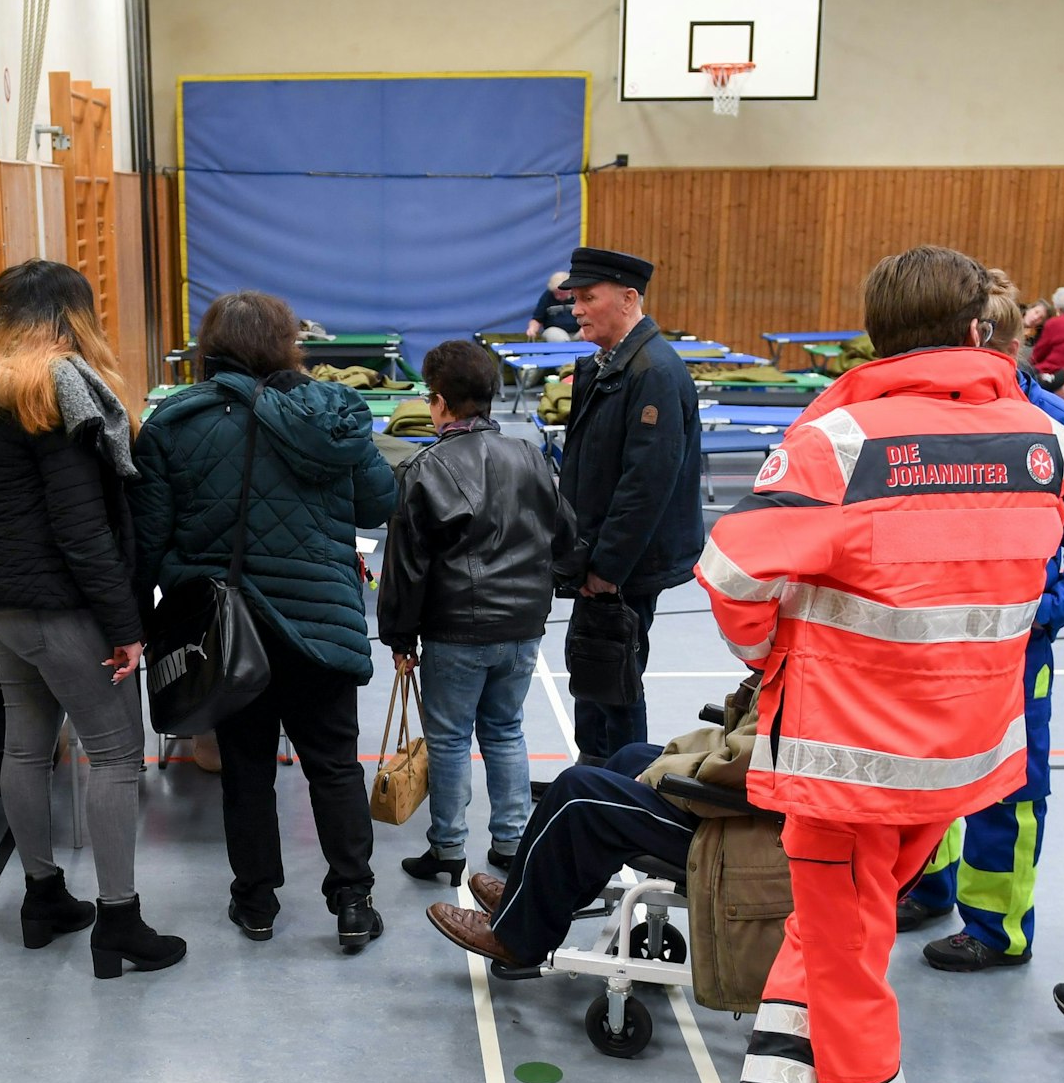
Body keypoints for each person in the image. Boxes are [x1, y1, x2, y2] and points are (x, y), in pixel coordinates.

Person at [688, 246, 1064, 1083]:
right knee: (825, 937)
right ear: (976, 330)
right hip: (963, 756)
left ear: (872, 329)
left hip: (841, 759)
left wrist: (775, 655)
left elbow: (729, 570)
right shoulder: (1042, 441)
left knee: (844, 959)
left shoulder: (836, 441)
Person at [0, 260, 183, 980]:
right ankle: (120, 922)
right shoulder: (58, 391)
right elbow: (83, 531)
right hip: (59, 606)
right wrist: (126, 625)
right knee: (113, 755)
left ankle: (42, 898)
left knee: (25, 744)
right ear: (76, 317)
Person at [133, 291, 397, 952]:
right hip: (323, 622)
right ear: (287, 341)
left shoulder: (175, 422)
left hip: (229, 631)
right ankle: (354, 901)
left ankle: (255, 901)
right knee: (334, 765)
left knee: (247, 769)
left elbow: (148, 537)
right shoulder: (334, 412)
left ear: (211, 344)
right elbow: (377, 503)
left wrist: (178, 581)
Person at [897, 270, 1064, 969]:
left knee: (1011, 787)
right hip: (938, 636)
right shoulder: (937, 418)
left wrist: (1058, 606)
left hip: (1019, 647)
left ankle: (997, 929)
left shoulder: (1062, 429)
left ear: (1002, 345)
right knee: (929, 762)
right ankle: (931, 884)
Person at [377, 339, 571, 885]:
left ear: (438, 402)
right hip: (523, 626)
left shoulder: (425, 467)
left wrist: (399, 639)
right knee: (506, 731)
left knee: (449, 739)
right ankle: (510, 842)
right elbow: (567, 533)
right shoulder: (531, 456)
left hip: (456, 630)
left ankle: (447, 849)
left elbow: (407, 567)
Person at [423, 683, 769, 969]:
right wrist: (663, 764)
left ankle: (517, 939)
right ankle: (534, 896)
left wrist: (663, 773)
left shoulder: (804, 690)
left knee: (578, 792)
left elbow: (739, 767)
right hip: (733, 805)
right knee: (629, 756)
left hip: (737, 828)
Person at [555, 247, 704, 763]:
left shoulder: (653, 372)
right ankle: (592, 778)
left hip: (621, 569)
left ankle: (619, 787)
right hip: (596, 559)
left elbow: (645, 487)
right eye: (575, 298)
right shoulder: (610, 365)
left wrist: (607, 570)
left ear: (627, 298)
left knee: (614, 684)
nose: (576, 308)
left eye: (587, 297)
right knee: (593, 679)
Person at [525, 270, 579, 341]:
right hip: (555, 332)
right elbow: (537, 319)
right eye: (555, 293)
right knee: (558, 337)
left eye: (561, 293)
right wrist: (532, 329)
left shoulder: (579, 296)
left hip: (578, 333)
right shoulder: (547, 296)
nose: (558, 297)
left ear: (570, 290)